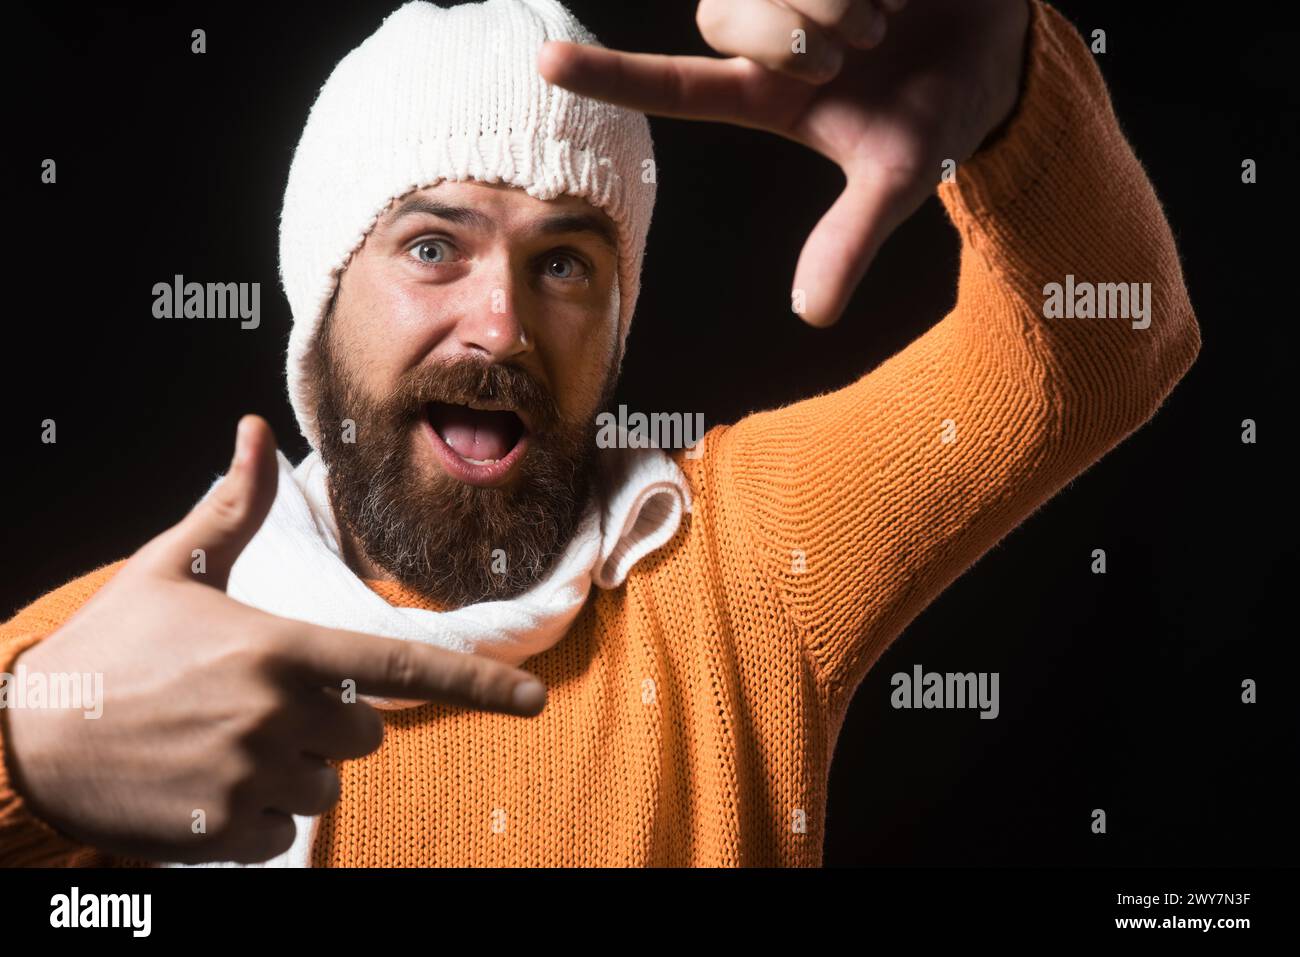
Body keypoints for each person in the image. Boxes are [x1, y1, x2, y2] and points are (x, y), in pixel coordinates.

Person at [0, 0, 1200, 866]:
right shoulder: (130, 648)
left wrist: (1005, 99)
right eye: (432, 247)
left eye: (566, 261)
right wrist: (30, 756)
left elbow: (1109, 346)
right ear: (319, 298)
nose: (501, 323)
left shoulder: (735, 563)